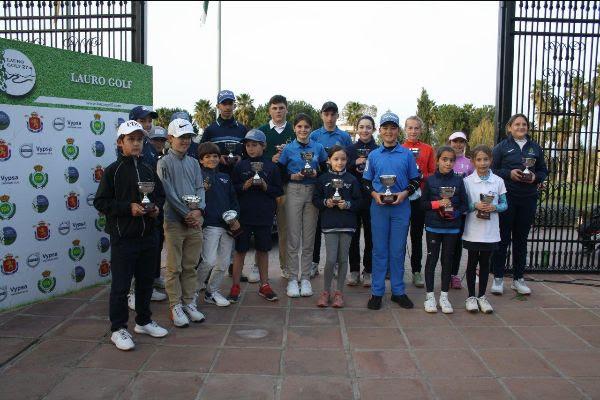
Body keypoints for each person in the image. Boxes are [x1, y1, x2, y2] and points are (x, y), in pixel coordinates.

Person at [94, 120, 168, 351]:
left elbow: (160, 196)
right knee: (121, 286)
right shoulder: (112, 171)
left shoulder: (148, 167)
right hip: (123, 238)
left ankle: (144, 321)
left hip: (148, 236)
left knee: (146, 282)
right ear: (120, 143)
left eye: (139, 140)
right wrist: (129, 208)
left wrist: (155, 208)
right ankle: (118, 329)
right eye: (131, 139)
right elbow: (101, 202)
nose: (136, 144)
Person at [363, 112, 420, 310]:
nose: (389, 131)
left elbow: (415, 180)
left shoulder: (406, 154)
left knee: (397, 250)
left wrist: (404, 194)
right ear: (380, 131)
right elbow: (366, 181)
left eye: (393, 128)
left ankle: (398, 291)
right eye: (385, 128)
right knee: (379, 250)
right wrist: (374, 195)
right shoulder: (373, 155)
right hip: (379, 207)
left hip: (400, 207)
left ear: (398, 131)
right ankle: (377, 292)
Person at [491, 113, 548, 295]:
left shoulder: (535, 148)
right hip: (508, 198)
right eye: (517, 124)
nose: (521, 127)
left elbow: (543, 171)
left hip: (528, 198)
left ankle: (518, 279)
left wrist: (534, 177)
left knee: (521, 240)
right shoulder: (501, 147)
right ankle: (498, 278)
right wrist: (509, 174)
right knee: (503, 239)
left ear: (528, 128)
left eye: (524, 124)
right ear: (510, 127)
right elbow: (492, 170)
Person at [158, 118, 206, 327]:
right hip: (174, 221)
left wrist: (198, 210)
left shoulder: (194, 162)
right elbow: (167, 192)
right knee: (173, 267)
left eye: (188, 137)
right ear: (170, 138)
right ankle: (175, 305)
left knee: (190, 266)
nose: (186, 141)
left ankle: (189, 302)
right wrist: (187, 212)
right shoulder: (163, 162)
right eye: (181, 137)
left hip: (194, 221)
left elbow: (200, 188)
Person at [229, 129, 283, 302]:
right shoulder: (240, 166)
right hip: (244, 215)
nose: (250, 149)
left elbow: (278, 191)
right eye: (248, 145)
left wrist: (267, 187)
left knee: (263, 250)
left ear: (264, 146)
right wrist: (243, 186)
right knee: (240, 250)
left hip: (264, 215)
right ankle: (235, 285)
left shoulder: (271, 166)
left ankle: (264, 285)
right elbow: (232, 189)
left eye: (254, 145)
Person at [278, 113, 327, 298]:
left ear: (310, 129)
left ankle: (305, 277)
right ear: (294, 128)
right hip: (294, 191)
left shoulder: (318, 147)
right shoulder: (289, 149)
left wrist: (316, 173)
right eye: (299, 127)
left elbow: (324, 170)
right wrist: (292, 176)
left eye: (306, 127)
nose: (303, 130)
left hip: (312, 192)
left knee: (309, 237)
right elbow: (281, 172)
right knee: (293, 237)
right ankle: (292, 278)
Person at [126, 107, 167, 310]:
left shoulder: (149, 145)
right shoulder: (127, 146)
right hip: (134, 210)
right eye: (143, 121)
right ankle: (131, 291)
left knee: (153, 249)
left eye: (149, 121)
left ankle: (147, 288)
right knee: (134, 253)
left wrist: (156, 204)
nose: (148, 124)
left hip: (151, 208)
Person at [420, 146, 468, 314]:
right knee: (432, 261)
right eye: (444, 159)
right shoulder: (431, 181)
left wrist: (454, 213)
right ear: (438, 160)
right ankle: (430, 296)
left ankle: (444, 297)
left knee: (447, 261)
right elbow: (422, 204)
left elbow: (464, 204)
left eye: (451, 160)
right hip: (434, 226)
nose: (448, 163)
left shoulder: (459, 180)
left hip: (452, 228)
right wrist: (437, 204)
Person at [313, 145, 361, 308]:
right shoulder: (323, 179)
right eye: (336, 159)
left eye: (343, 159)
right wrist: (326, 202)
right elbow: (316, 199)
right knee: (331, 259)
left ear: (347, 161)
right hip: (330, 223)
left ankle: (339, 293)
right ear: (329, 161)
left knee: (342, 259)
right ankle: (326, 291)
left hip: (347, 224)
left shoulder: (352, 179)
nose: (339, 162)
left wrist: (347, 204)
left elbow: (359, 202)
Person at [310, 101, 353, 279]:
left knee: (336, 226)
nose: (329, 118)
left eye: (332, 114)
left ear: (337, 116)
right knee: (318, 227)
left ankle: (335, 264)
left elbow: (347, 160)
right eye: (326, 114)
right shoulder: (314, 135)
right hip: (321, 183)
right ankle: (314, 263)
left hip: (340, 185)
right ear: (321, 115)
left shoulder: (344, 136)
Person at [462, 145, 507, 313]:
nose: (482, 163)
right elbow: (463, 206)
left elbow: (505, 204)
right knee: (472, 262)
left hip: (490, 231)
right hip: (473, 230)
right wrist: (475, 205)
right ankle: (471, 297)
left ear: (491, 160)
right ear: (473, 161)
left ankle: (482, 296)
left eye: (486, 159)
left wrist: (494, 207)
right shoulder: (467, 182)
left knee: (486, 263)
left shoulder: (498, 181)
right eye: (479, 160)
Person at [195, 142, 240, 307]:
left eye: (215, 156)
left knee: (223, 262)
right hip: (211, 225)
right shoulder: (198, 177)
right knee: (209, 260)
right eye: (207, 157)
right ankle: (192, 292)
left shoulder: (225, 177)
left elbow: (234, 201)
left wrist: (234, 218)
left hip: (227, 226)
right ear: (201, 160)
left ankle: (211, 291)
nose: (212, 159)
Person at [257, 95, 295, 280]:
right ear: (269, 110)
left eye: (281, 108)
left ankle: (285, 266)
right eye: (274, 108)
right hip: (264, 186)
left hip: (285, 186)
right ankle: (257, 266)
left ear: (286, 109)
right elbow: (254, 156)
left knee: (283, 229)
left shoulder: (294, 130)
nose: (278, 111)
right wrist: (268, 160)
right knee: (260, 225)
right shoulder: (262, 131)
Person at [401, 116, 436, 289]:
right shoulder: (399, 149)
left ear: (421, 130)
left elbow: (433, 174)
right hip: (402, 197)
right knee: (399, 235)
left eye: (416, 128)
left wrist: (421, 176)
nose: (413, 131)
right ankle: (396, 269)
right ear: (405, 129)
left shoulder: (428, 149)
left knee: (416, 236)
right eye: (410, 128)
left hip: (420, 198)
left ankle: (416, 270)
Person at [346, 115, 378, 287]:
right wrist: (354, 163)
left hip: (372, 198)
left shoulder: (378, 149)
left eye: (368, 127)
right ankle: (354, 270)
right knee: (353, 235)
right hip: (353, 197)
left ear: (373, 129)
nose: (365, 130)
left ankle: (369, 270)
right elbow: (342, 167)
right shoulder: (350, 149)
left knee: (371, 237)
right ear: (357, 129)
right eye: (362, 127)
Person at [448, 131, 475, 289]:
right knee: (447, 244)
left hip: (461, 210)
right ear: (449, 142)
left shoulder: (469, 163)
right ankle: (446, 272)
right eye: (455, 142)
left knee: (458, 243)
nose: (458, 145)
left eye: (461, 142)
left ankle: (454, 274)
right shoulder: (445, 160)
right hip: (446, 208)